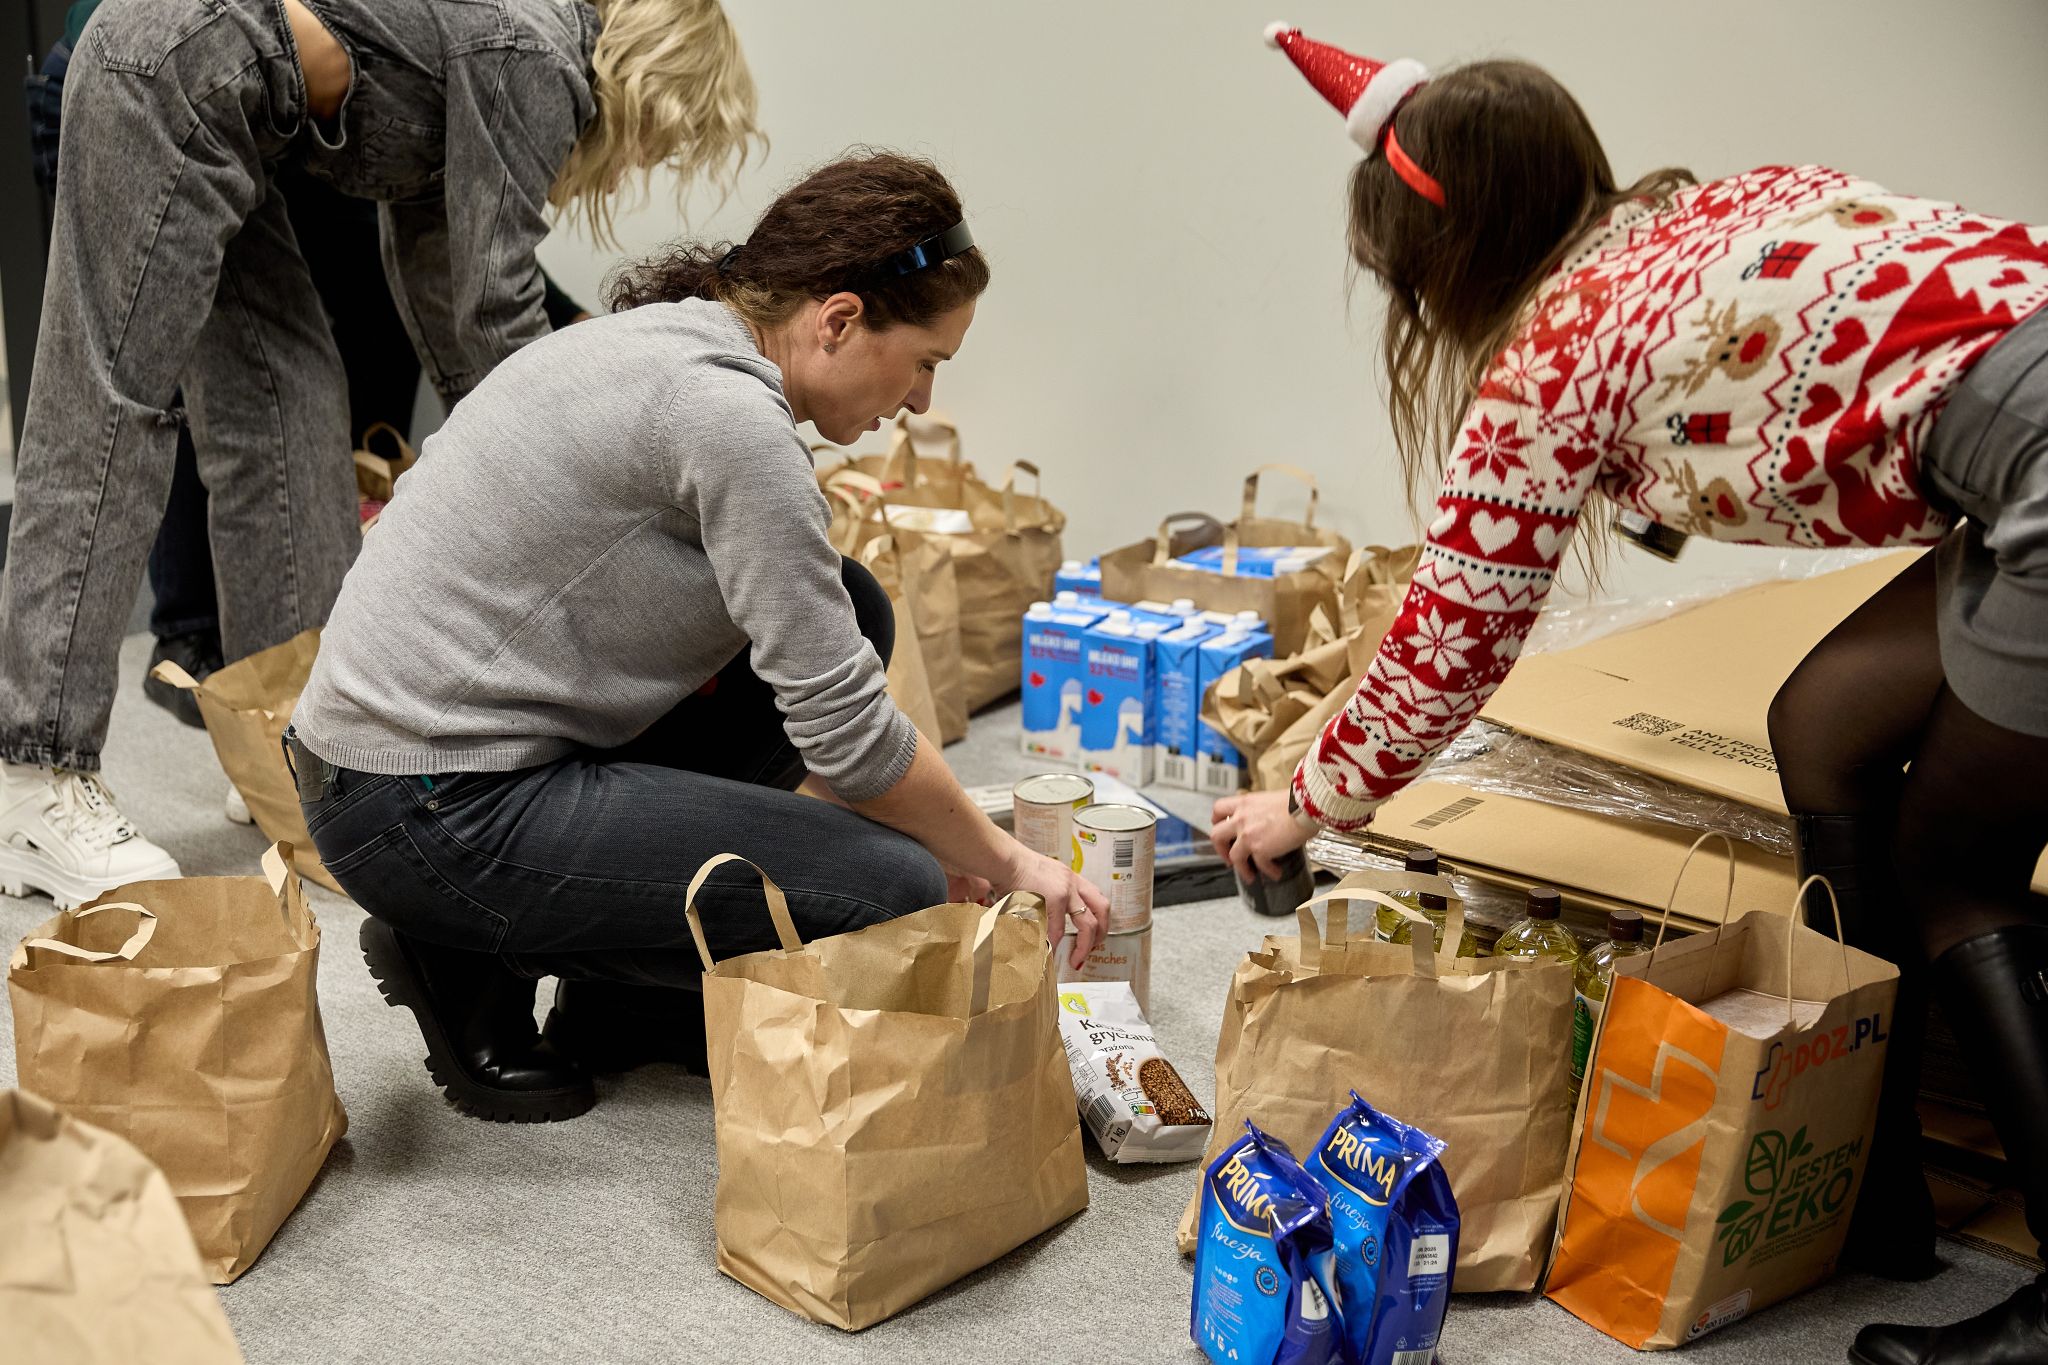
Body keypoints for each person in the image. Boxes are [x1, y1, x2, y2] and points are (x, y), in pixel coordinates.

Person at [1219, 25, 2048, 1365]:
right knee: (1822, 727)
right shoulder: (1706, 207)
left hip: (2038, 472)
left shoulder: (1553, 360)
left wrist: (1300, 804)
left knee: (1961, 862)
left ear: (1451, 256)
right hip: (2013, 465)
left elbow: (1448, 649)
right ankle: (1870, 1184)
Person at [284, 151, 1111, 1125]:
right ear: (838, 319)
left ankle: (618, 1007)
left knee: (850, 605)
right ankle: (465, 948)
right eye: (926, 362)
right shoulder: (730, 421)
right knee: (891, 882)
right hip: (423, 810)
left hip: (401, 762)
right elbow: (846, 740)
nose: (922, 401)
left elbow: (818, 677)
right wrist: (1000, 858)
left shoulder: (673, 339)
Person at [0, 0, 759, 908]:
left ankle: (290, 742)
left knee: (290, 394)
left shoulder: (510, 51)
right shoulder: (539, 58)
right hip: (175, 69)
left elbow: (439, 283)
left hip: (224, 107)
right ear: (654, 85)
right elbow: (493, 308)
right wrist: (591, 481)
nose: (642, 162)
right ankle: (33, 768)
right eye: (664, 141)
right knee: (115, 401)